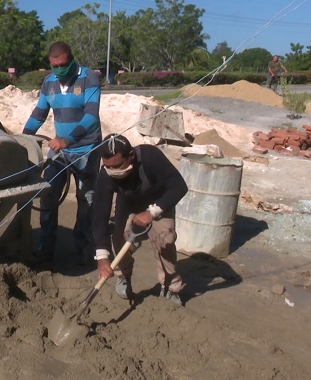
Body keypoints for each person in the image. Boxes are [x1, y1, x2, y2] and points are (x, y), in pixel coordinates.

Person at [22, 41, 102, 265]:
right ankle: (46, 248)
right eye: (54, 65)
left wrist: (67, 139)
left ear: (71, 59)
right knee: (48, 195)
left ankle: (83, 247)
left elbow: (91, 116)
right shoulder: (48, 82)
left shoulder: (89, 78)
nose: (59, 69)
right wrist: (24, 136)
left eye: (63, 65)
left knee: (86, 200)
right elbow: (39, 112)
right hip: (60, 153)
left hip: (86, 149)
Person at [92, 134, 188, 305]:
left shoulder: (150, 157)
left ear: (131, 156)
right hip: (128, 203)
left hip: (159, 202)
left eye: (118, 165)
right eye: (108, 167)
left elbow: (179, 186)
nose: (113, 171)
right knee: (119, 241)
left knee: (164, 241)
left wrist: (152, 212)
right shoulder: (106, 175)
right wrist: (101, 257)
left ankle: (170, 288)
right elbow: (100, 215)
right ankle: (124, 276)